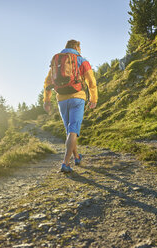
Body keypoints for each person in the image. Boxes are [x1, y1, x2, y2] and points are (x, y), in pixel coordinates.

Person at [43, 39, 98, 173]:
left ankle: (77, 157)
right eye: (80, 48)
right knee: (73, 130)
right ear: (77, 48)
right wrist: (93, 98)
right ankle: (65, 163)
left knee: (69, 131)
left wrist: (47, 100)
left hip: (61, 99)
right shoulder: (81, 60)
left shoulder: (57, 61)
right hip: (77, 97)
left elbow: (47, 82)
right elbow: (91, 81)